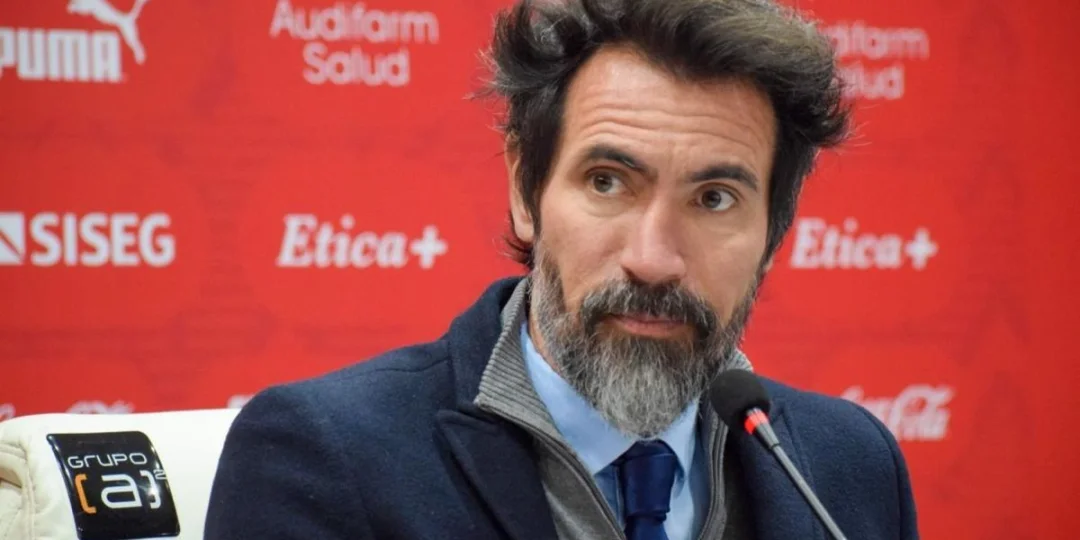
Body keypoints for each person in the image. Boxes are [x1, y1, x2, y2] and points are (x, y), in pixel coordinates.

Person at [204, 0, 919, 538]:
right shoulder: (323, 456)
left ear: (774, 230)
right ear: (525, 189)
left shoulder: (849, 466)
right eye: (608, 182)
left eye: (714, 199)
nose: (652, 260)